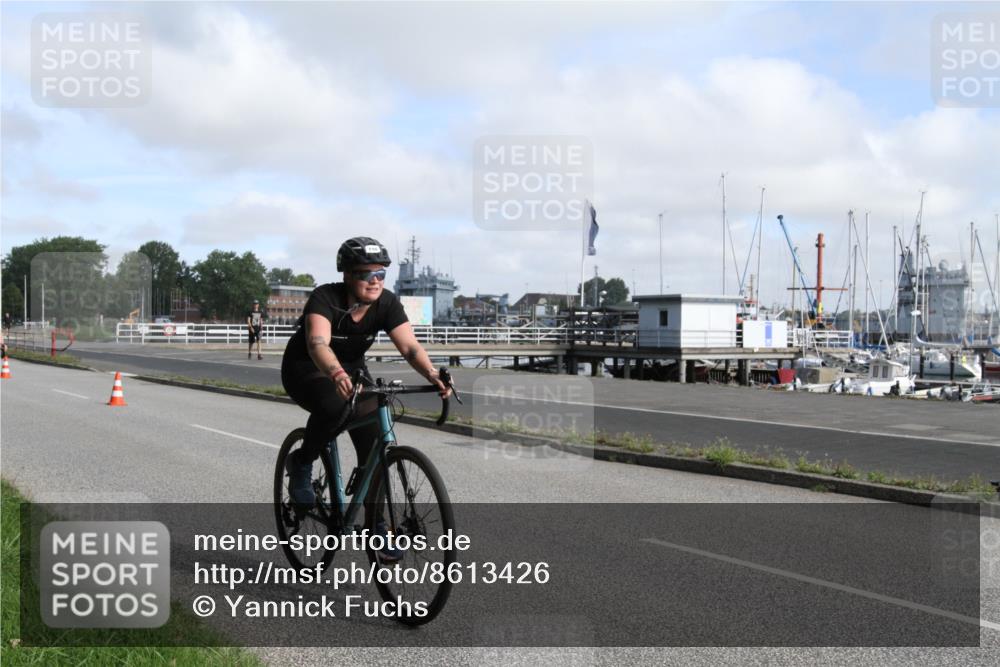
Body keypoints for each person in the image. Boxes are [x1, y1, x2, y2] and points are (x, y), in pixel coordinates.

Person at [281, 237, 450, 509]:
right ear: (347, 275)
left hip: (353, 369)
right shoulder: (325, 297)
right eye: (365, 274)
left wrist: (431, 374)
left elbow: (409, 347)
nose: (375, 280)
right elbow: (317, 343)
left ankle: (378, 527)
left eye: (381, 273)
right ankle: (302, 462)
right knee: (335, 407)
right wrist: (336, 375)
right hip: (307, 368)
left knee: (374, 448)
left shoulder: (387, 303)